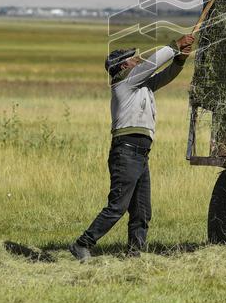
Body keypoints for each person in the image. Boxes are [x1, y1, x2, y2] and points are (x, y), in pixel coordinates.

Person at [69, 33, 194, 261]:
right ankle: (82, 244)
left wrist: (180, 59)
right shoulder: (125, 82)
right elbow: (152, 64)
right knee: (117, 207)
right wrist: (175, 46)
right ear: (124, 65)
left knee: (142, 211)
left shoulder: (140, 85)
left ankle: (135, 254)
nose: (138, 61)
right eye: (135, 59)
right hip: (126, 152)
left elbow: (165, 75)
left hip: (139, 154)